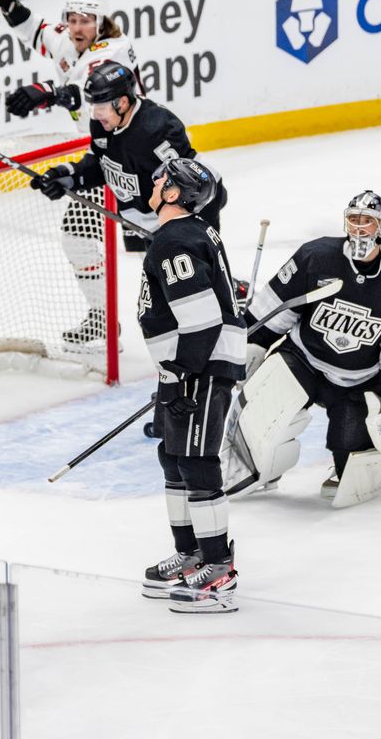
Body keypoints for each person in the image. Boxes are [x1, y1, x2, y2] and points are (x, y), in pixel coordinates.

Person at [223, 191, 381, 506]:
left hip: (358, 383)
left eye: (368, 222)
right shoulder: (316, 257)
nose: (360, 229)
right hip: (303, 361)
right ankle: (256, 467)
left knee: (352, 469)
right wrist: (253, 343)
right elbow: (275, 308)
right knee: (262, 411)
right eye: (354, 220)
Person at [31, 60, 232, 354]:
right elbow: (102, 165)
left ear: (122, 102)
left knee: (184, 300)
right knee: (163, 304)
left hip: (170, 227)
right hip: (140, 221)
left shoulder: (156, 129)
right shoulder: (103, 123)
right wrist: (69, 176)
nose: (95, 113)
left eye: (101, 105)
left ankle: (220, 330)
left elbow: (201, 183)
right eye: (93, 106)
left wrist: (196, 238)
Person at [137, 158, 245, 614]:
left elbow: (202, 320)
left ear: (175, 194)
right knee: (173, 457)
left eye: (161, 178)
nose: (153, 179)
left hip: (199, 367)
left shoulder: (174, 241)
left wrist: (177, 376)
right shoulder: (189, 233)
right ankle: (190, 555)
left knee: (197, 463)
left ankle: (219, 568)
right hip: (189, 366)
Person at [0, 0, 137, 130]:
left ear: (100, 23)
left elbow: (90, 93)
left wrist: (50, 93)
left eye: (85, 21)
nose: (77, 29)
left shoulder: (114, 51)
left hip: (129, 138)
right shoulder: (67, 39)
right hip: (97, 136)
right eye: (72, 20)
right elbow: (33, 29)